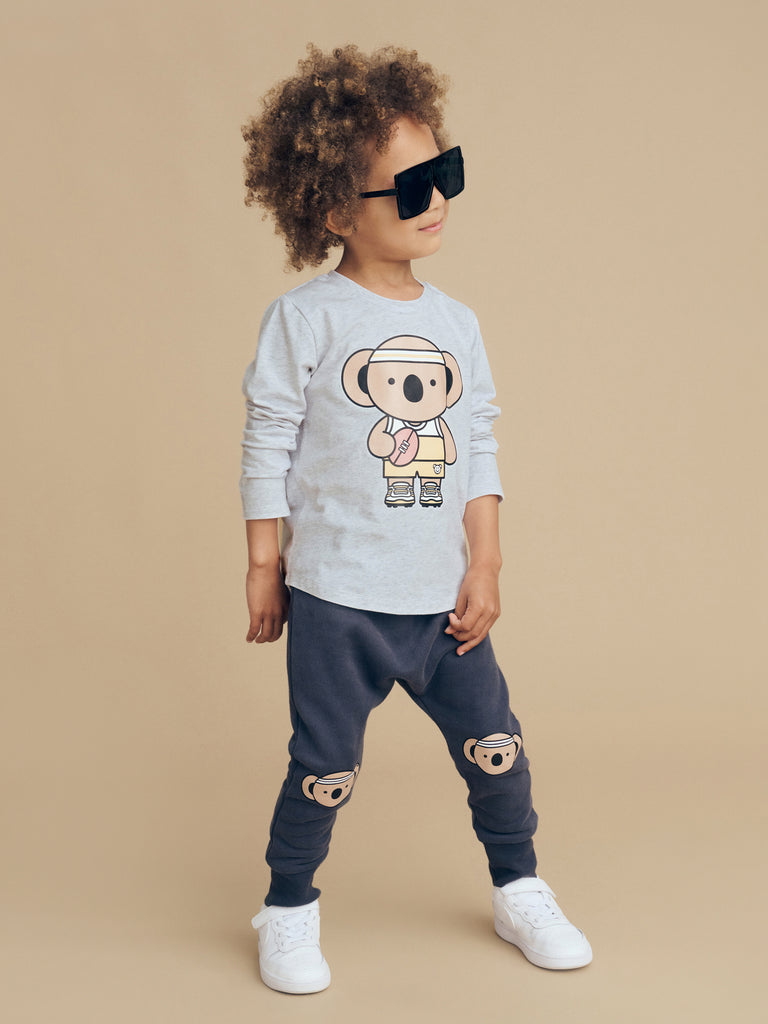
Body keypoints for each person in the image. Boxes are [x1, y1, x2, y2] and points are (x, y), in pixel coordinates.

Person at [239, 44, 592, 994]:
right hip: (337, 602)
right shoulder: (306, 319)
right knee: (324, 767)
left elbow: (477, 443)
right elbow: (267, 440)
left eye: (447, 172)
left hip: (442, 604)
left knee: (498, 751)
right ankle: (288, 906)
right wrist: (265, 565)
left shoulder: (458, 323)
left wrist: (487, 564)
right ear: (332, 210)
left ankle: (519, 887)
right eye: (410, 186)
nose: (436, 198)